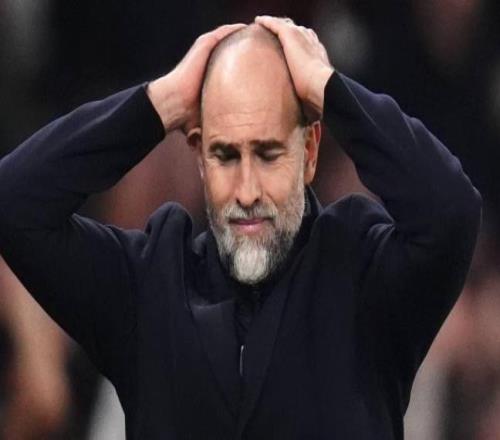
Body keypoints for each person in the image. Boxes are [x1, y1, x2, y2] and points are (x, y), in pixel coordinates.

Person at [0, 15, 481, 440]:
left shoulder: (366, 274)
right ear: (199, 158)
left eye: (268, 154)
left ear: (310, 152)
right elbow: (16, 202)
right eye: (225, 155)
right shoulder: (147, 284)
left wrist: (330, 90)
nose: (247, 190)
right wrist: (160, 103)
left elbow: (450, 210)